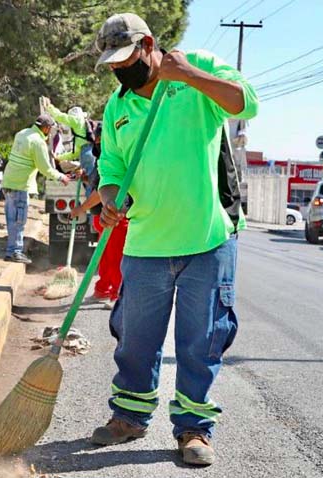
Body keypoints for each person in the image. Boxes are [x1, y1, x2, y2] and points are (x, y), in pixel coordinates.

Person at [89, 13, 258, 466]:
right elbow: (112, 170)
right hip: (145, 243)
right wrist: (110, 199)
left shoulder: (196, 67)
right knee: (134, 340)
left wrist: (189, 75)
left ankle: (193, 429)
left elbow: (247, 103)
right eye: (111, 64)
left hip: (208, 239)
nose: (119, 70)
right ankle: (129, 416)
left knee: (200, 340)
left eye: (126, 59)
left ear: (148, 45)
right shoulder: (118, 108)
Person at [69, 124, 127, 308]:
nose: (97, 140)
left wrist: (82, 208)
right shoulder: (101, 156)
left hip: (114, 216)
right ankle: (103, 289)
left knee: (116, 256)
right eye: (96, 137)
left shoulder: (114, 156)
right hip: (102, 217)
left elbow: (102, 191)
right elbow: (96, 184)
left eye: (100, 137)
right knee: (105, 256)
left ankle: (118, 294)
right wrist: (84, 177)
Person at [1, 114, 71, 264]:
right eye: (50, 129)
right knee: (19, 221)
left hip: (8, 181)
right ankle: (15, 252)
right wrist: (61, 177)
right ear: (45, 128)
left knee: (11, 220)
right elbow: (45, 168)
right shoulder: (38, 142)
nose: (50, 132)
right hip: (20, 185)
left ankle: (10, 251)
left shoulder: (22, 133)